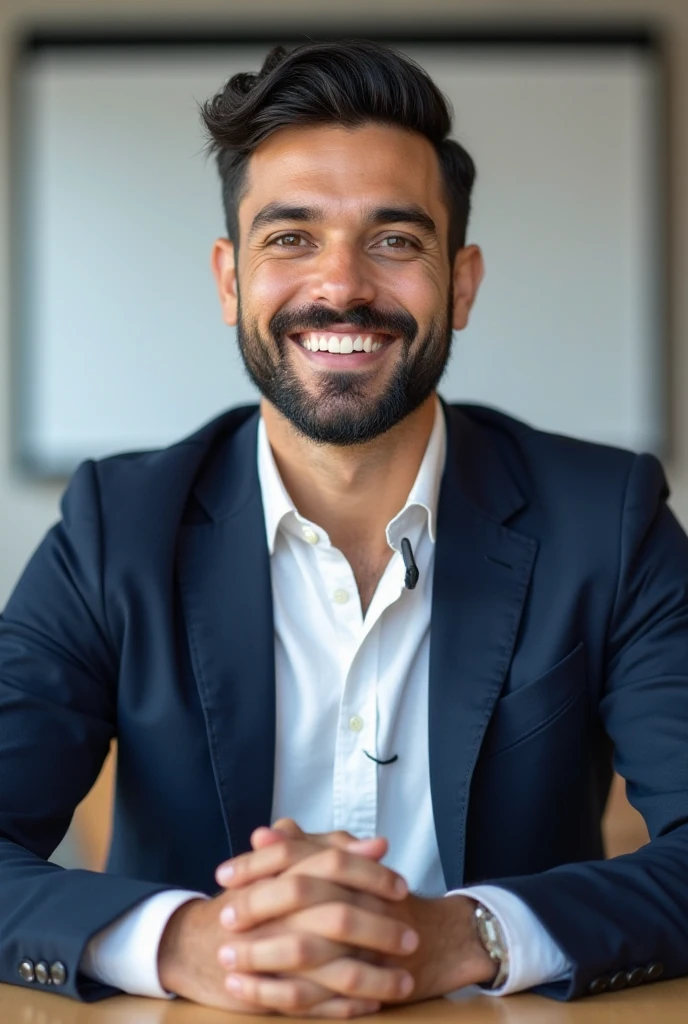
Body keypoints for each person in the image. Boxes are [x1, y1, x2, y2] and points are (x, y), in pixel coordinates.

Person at [1, 38, 687, 1019]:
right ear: (229, 279)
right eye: (290, 238)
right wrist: (192, 943)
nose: (341, 285)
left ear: (462, 283)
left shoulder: (608, 520)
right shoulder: (114, 526)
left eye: (395, 240)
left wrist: (467, 934)